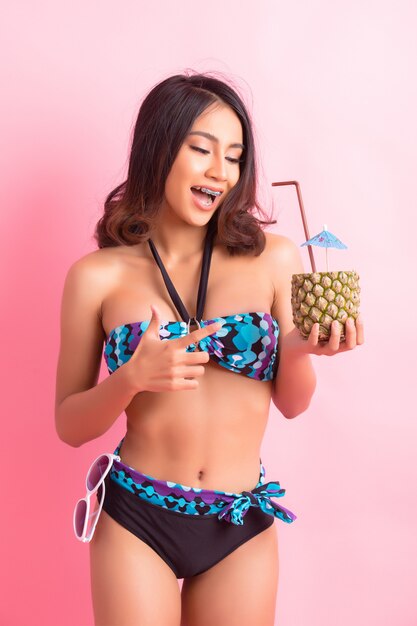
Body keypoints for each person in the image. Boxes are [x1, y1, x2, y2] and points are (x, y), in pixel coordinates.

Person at [55, 72, 364, 626]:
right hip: (136, 518)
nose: (221, 171)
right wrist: (130, 378)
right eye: (201, 150)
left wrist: (298, 350)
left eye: (236, 156)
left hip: (237, 520)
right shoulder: (95, 277)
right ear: (157, 149)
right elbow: (70, 423)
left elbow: (293, 404)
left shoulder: (274, 257)